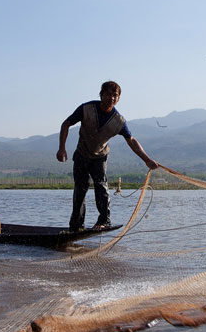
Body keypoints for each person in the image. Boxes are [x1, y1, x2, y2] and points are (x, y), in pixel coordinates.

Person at [57, 81, 158, 232]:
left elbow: (131, 140)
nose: (111, 98)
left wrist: (147, 160)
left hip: (100, 157)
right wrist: (62, 148)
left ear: (118, 99)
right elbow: (66, 124)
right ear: (101, 95)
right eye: (109, 94)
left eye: (115, 95)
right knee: (80, 189)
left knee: (101, 187)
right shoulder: (86, 108)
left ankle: (104, 220)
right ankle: (76, 226)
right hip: (82, 154)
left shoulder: (118, 120)